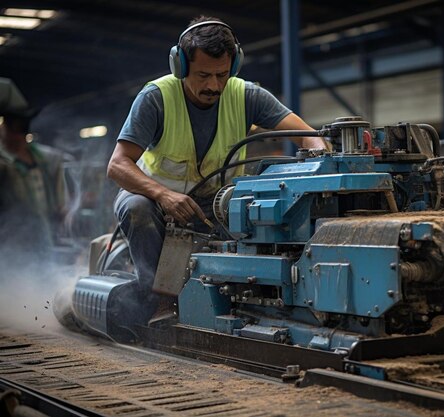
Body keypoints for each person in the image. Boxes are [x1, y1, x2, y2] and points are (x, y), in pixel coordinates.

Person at [107, 16, 327, 322]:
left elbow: (309, 135)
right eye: (202, 75)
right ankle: (159, 303)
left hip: (217, 205)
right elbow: (118, 165)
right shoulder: (156, 98)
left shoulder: (245, 95)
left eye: (222, 75)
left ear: (234, 67)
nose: (213, 86)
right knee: (137, 209)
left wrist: (321, 158)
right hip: (155, 201)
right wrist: (163, 195)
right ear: (180, 66)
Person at [0, 110, 67, 259]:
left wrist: (61, 208)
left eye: (20, 132)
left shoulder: (44, 158)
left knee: (43, 267)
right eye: (12, 131)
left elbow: (59, 199)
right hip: (9, 234)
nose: (16, 137)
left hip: (41, 230)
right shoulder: (4, 162)